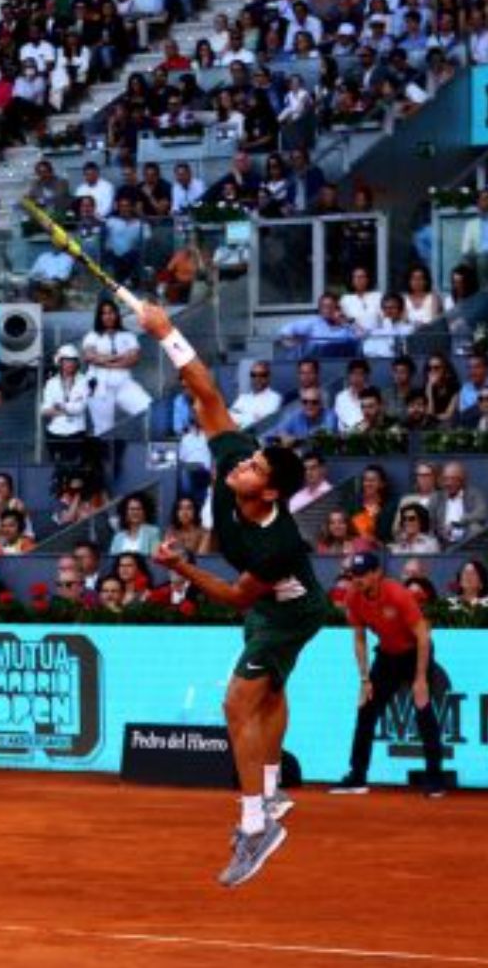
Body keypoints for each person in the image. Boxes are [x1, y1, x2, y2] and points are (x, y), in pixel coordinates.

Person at [139, 299, 327, 888]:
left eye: (252, 467)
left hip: (289, 611)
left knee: (237, 704)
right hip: (275, 604)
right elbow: (205, 390)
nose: (241, 462)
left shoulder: (277, 543)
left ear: (267, 494)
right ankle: (269, 795)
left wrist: (180, 566)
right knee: (268, 696)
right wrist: (167, 331)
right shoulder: (234, 461)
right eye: (246, 458)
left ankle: (255, 826)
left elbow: (236, 598)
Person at [333, 552, 446, 796]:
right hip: (386, 656)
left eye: (363, 575)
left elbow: (423, 636)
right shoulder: (353, 596)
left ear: (377, 574)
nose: (358, 580)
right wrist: (364, 679)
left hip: (415, 651)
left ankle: (435, 779)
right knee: (366, 710)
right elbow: (360, 639)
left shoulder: (397, 595)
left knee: (422, 708)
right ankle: (357, 777)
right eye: (354, 575)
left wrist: (420, 678)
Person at [83, 299, 151, 435]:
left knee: (147, 408)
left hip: (123, 383)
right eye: (104, 313)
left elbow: (133, 359)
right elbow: (90, 357)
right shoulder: (92, 336)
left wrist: (104, 360)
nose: (108, 316)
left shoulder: (128, 335)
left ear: (117, 314)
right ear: (99, 316)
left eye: (111, 312)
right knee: (103, 429)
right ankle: (104, 456)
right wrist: (119, 357)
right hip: (99, 387)